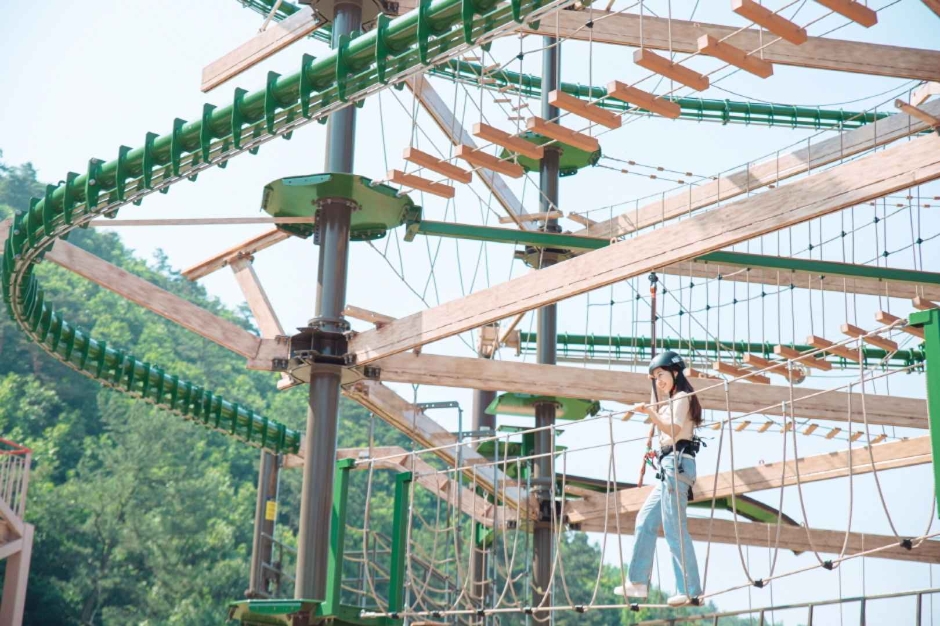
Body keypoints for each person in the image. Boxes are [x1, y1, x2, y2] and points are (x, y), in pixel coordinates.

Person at [614, 350, 704, 607]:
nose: (659, 381)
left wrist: (649, 413)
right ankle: (638, 582)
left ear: (675, 373)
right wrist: (652, 391)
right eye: (655, 377)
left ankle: (689, 589)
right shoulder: (671, 400)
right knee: (645, 520)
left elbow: (673, 429)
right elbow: (658, 409)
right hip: (669, 467)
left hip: (677, 465)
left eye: (661, 375)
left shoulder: (683, 397)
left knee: (674, 528)